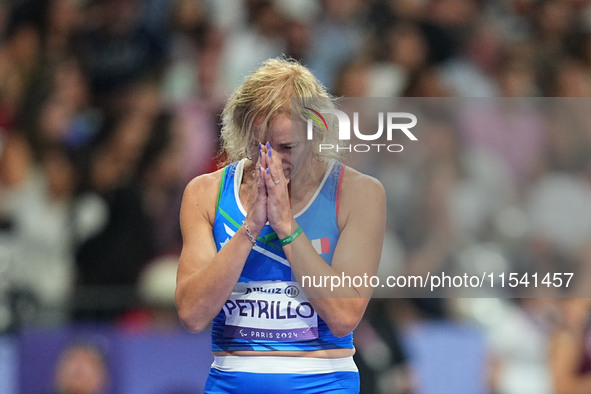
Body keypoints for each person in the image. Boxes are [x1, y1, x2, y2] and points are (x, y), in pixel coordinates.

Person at [175, 58, 386, 393]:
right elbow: (192, 314)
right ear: (243, 134)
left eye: (288, 147)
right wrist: (251, 226)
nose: (271, 161)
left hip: (323, 383)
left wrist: (287, 226)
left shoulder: (358, 194)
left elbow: (344, 314)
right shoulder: (205, 193)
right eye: (261, 146)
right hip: (231, 382)